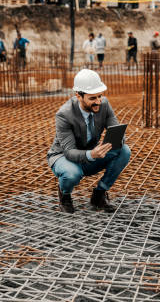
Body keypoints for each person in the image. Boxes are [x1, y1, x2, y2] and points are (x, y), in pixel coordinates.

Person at [47, 69, 131, 213]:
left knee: (124, 151)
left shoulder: (103, 104)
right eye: (92, 98)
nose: (98, 101)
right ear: (78, 96)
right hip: (64, 157)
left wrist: (116, 140)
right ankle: (65, 195)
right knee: (72, 173)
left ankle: (99, 195)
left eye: (100, 96)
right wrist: (92, 154)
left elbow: (116, 130)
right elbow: (69, 152)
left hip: (91, 154)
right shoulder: (64, 115)